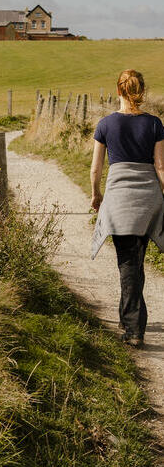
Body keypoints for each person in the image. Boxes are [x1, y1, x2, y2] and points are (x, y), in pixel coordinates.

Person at [90, 69, 164, 347]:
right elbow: (160, 167)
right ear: (141, 91)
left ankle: (134, 330)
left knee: (128, 263)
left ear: (118, 91)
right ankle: (128, 317)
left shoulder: (105, 125)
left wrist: (96, 195)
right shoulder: (155, 124)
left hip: (119, 200)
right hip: (148, 202)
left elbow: (96, 168)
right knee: (134, 262)